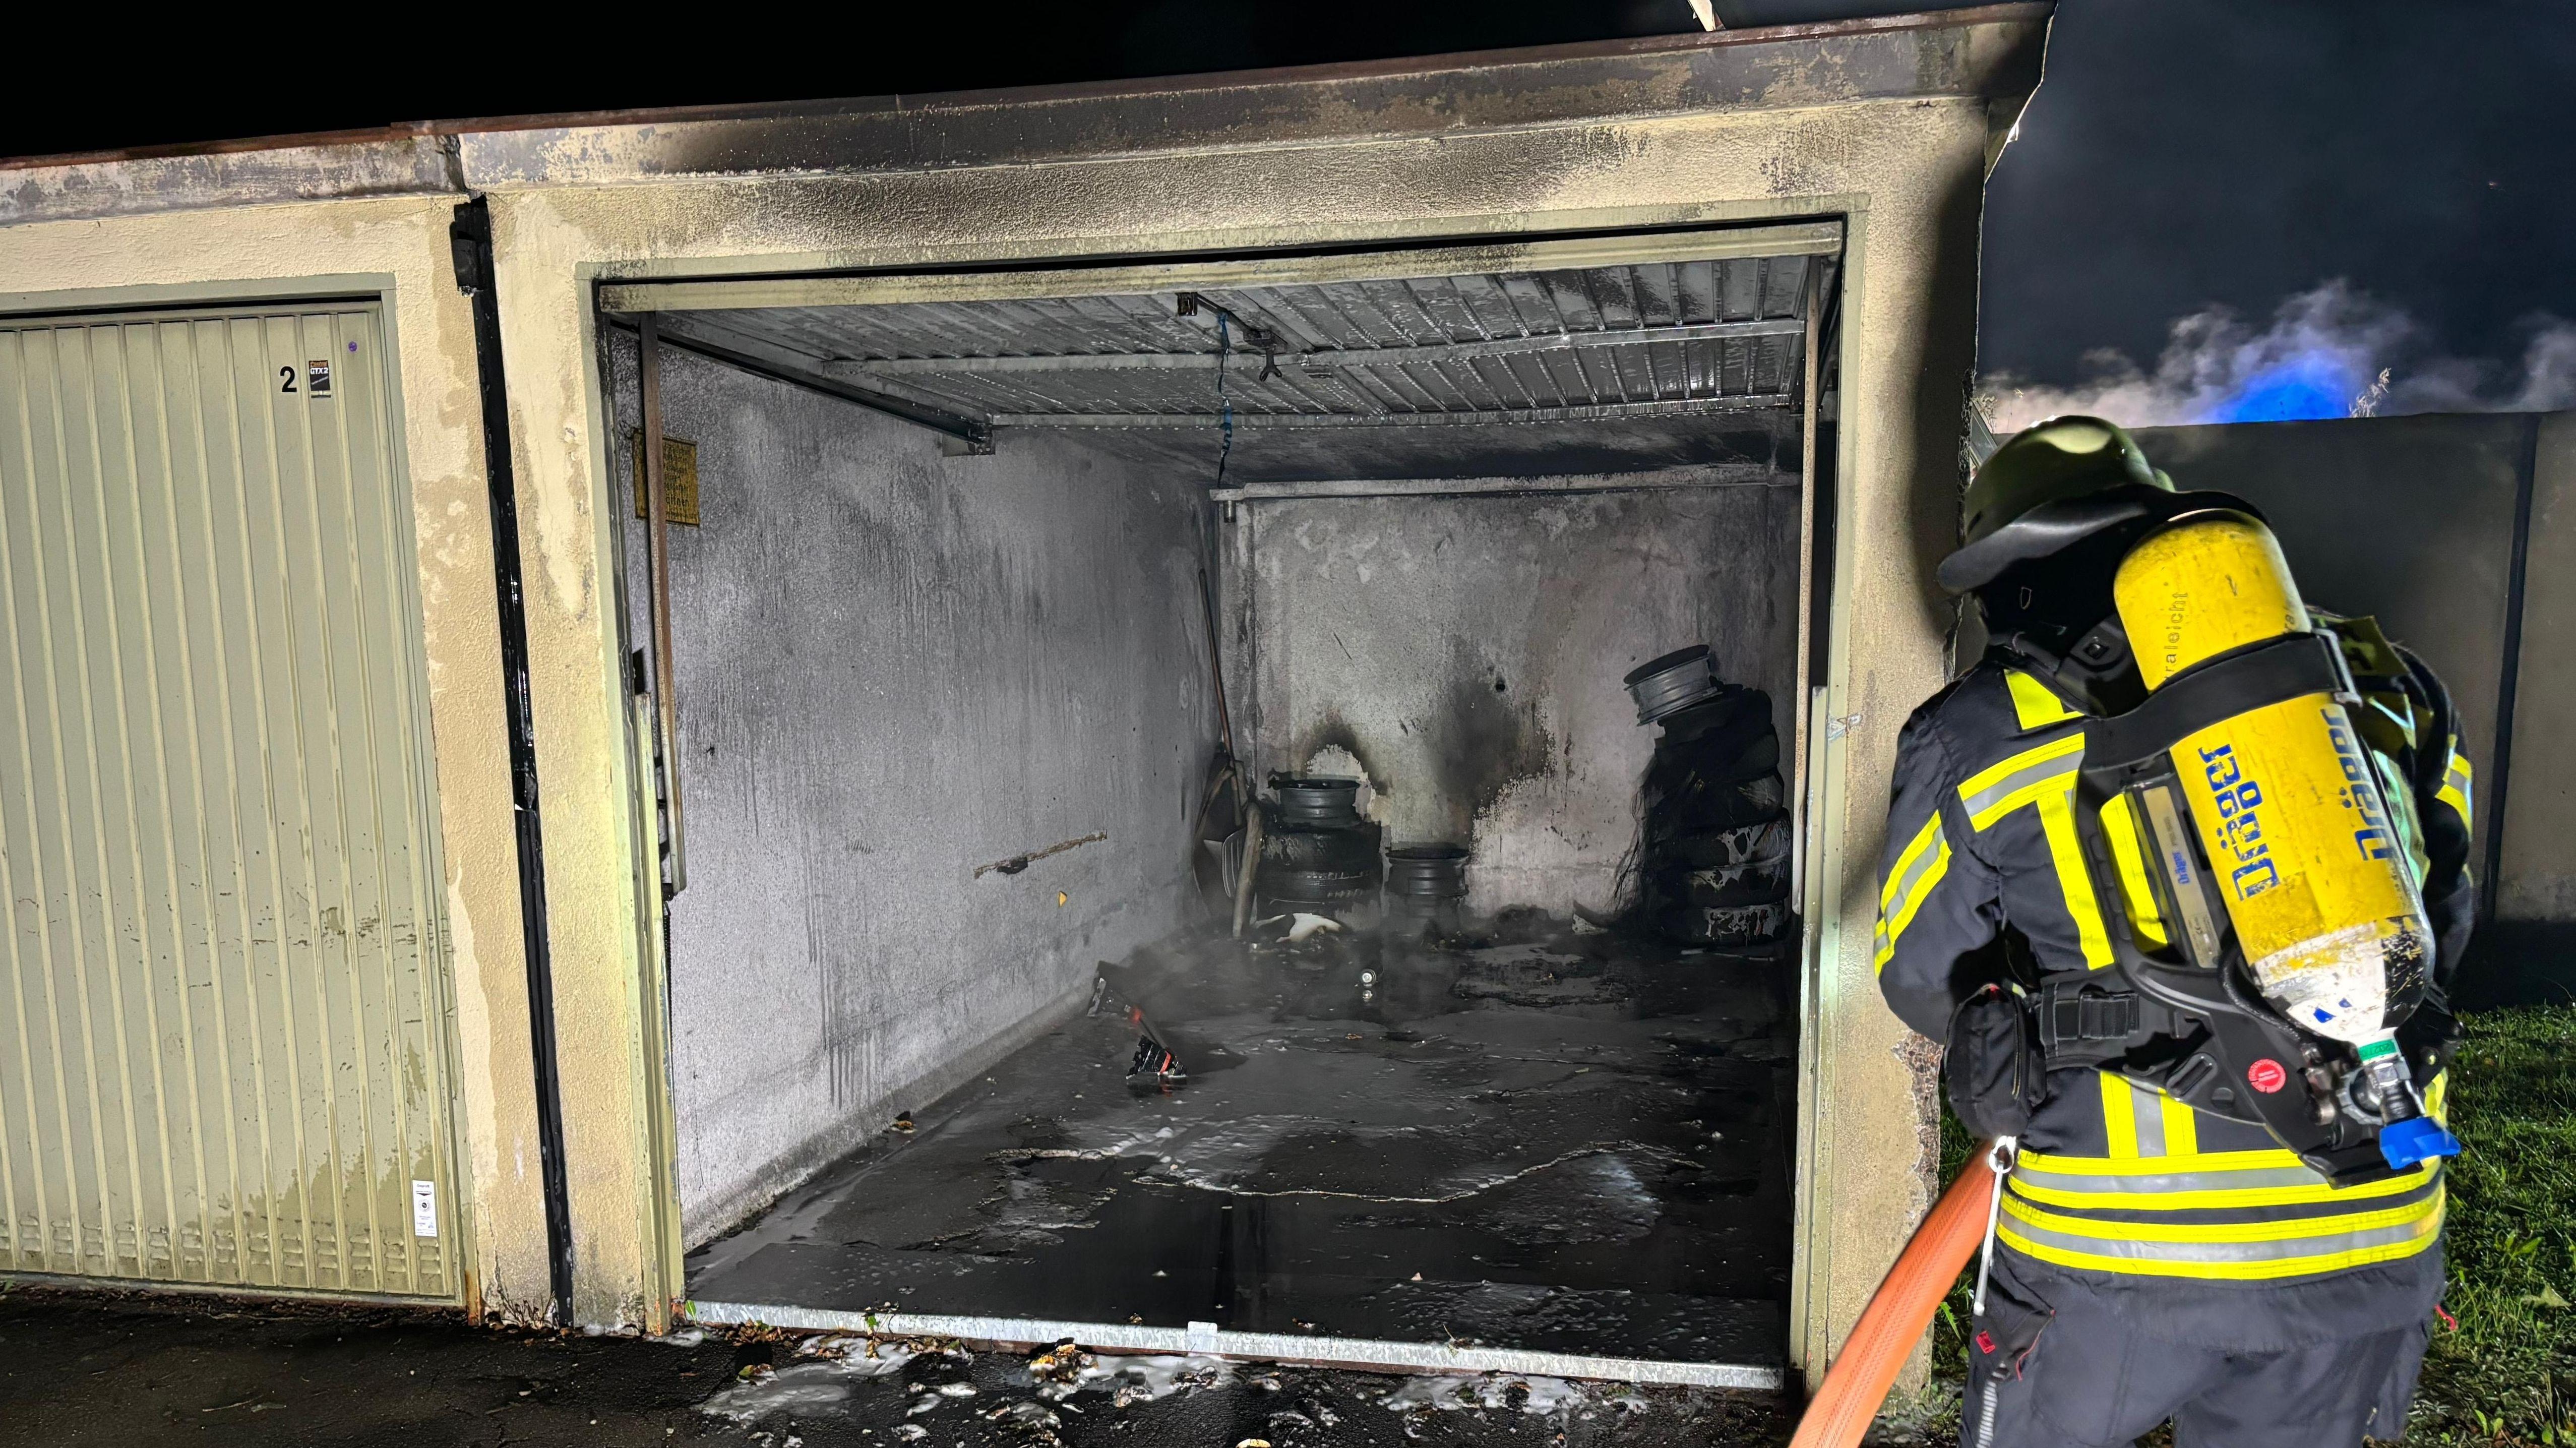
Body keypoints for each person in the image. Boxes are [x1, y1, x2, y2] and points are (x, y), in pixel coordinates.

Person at [1873, 416, 2477, 1447]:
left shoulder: (1973, 727)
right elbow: (2442, 923)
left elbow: (1912, 971)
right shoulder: (2382, 680)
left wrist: (2033, 1004)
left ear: (2002, 571)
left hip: (2113, 1243)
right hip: (2368, 1217)